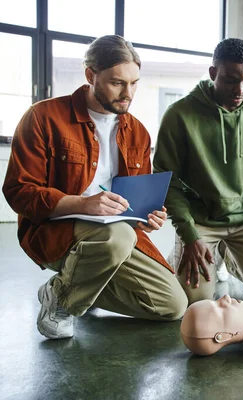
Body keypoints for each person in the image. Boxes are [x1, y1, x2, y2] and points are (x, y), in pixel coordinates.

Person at [2, 35, 187, 340]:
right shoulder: (42, 117)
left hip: (120, 234)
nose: (128, 94)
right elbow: (18, 192)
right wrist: (84, 204)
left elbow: (136, 201)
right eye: (117, 83)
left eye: (134, 83)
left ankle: (73, 288)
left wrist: (150, 215)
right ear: (90, 75)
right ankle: (61, 300)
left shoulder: (137, 132)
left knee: (172, 305)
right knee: (117, 236)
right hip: (54, 231)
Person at [153, 38, 243, 305]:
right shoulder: (178, 115)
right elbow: (168, 181)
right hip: (201, 220)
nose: (240, 89)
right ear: (213, 73)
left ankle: (230, 254)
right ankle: (188, 252)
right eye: (230, 80)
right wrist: (189, 235)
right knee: (198, 301)